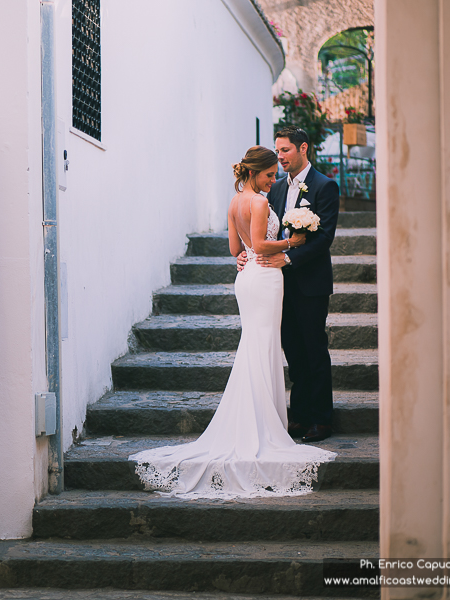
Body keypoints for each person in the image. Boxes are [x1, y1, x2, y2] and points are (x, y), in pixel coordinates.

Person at [129, 146, 335, 499]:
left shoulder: (234, 201)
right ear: (255, 173)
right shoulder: (256, 203)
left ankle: (258, 419)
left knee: (257, 346)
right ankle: (263, 427)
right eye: (269, 175)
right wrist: (292, 241)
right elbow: (258, 242)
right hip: (266, 277)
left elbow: (234, 249)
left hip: (248, 276)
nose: (274, 179)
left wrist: (246, 257)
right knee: (262, 346)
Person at [250, 126, 339, 443]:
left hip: (310, 283)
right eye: (277, 150)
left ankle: (322, 419)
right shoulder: (274, 189)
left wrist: (289, 259)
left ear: (303, 148)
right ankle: (299, 416)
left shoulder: (324, 186)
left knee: (314, 349)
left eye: (285, 150)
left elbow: (324, 238)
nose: (280, 156)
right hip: (278, 284)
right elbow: (266, 233)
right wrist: (246, 255)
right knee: (292, 349)